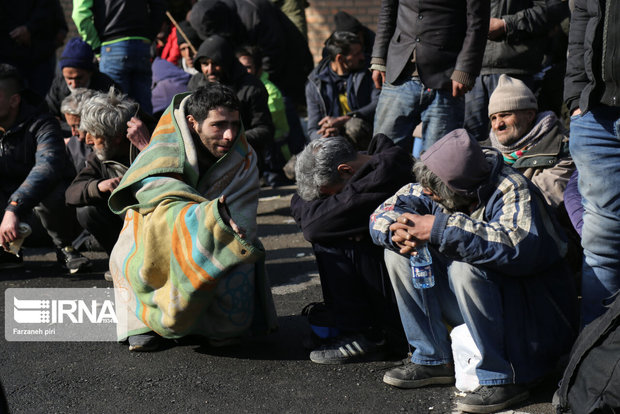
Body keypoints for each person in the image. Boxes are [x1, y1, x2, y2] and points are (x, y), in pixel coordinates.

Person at [369, 129, 578, 413]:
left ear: (460, 189)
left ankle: (503, 379)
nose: (428, 196)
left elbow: (516, 246)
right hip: (482, 307)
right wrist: (393, 231)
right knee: (399, 255)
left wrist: (439, 227)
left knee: (466, 268)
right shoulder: (437, 180)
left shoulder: (512, 187)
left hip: (531, 317)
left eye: (434, 193)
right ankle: (432, 360)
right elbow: (386, 209)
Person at [107, 83, 277, 351]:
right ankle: (146, 322)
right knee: (128, 244)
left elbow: (242, 213)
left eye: (235, 123)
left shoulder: (245, 157)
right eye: (218, 125)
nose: (230, 134)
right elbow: (154, 198)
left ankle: (213, 326)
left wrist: (219, 226)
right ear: (192, 122)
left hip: (221, 234)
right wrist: (210, 217)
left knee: (238, 248)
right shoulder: (162, 150)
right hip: (158, 233)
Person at [290, 134, 412, 364]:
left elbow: (314, 227)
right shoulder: (358, 170)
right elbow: (297, 202)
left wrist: (337, 224)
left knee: (331, 238)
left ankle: (370, 335)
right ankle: (349, 324)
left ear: (345, 170)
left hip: (406, 283)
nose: (329, 200)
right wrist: (342, 223)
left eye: (331, 195)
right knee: (333, 230)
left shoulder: (386, 174)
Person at [0, 64, 90, 272]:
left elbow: (47, 166)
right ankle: (7, 250)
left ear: (14, 100)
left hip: (45, 216)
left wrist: (14, 206)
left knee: (51, 188)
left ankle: (66, 247)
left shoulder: (43, 125)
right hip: (8, 218)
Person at [370, 0, 489, 155]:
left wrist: (465, 69)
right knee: (382, 155)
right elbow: (387, 10)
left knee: (438, 162)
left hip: (446, 78)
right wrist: (378, 59)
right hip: (399, 73)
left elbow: (478, 21)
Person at [564, 0, 620, 325]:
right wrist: (575, 96)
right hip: (595, 113)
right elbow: (583, 15)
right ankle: (594, 367)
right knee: (600, 247)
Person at [463, 0, 551, 142]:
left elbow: (552, 9)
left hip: (515, 70)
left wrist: (507, 24)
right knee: (469, 143)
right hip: (468, 71)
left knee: (516, 141)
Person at [65, 88, 139, 256]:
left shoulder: (153, 140)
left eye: (94, 134)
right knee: (87, 211)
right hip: (126, 225)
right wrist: (98, 186)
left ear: (116, 137)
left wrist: (146, 146)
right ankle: (121, 259)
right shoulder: (100, 157)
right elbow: (71, 194)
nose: (87, 139)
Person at [487, 75, 575, 210]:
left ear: (529, 115)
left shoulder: (561, 149)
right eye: (493, 118)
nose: (498, 124)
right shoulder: (484, 154)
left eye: (505, 115)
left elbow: (539, 201)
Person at [188, 35, 274, 172]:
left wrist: (233, 139)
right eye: (205, 64)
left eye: (215, 63)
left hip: (243, 162)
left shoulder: (251, 87)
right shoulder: (196, 83)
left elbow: (264, 129)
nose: (209, 70)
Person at [72, 0, 167, 114]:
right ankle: (148, 131)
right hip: (141, 44)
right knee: (143, 110)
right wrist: (147, 38)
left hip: (112, 45)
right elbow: (159, 5)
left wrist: (96, 46)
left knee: (113, 111)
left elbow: (80, 14)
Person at [306, 31, 379, 150]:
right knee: (293, 166)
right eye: (357, 54)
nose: (362, 57)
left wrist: (344, 119)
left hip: (364, 134)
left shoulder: (369, 72)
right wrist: (325, 136)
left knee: (355, 126)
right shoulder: (315, 84)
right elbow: (313, 128)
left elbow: (377, 103)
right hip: (332, 143)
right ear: (340, 58)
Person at [237, 46, 291, 186]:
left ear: (259, 69)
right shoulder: (240, 87)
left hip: (274, 152)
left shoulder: (269, 92)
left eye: (248, 67)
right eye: (240, 66)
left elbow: (265, 128)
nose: (243, 71)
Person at [46, 37, 117, 135]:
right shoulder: (58, 85)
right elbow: (48, 116)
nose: (73, 84)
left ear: (90, 72)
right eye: (69, 78)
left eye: (79, 78)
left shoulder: (106, 87)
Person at [59, 88, 96, 173]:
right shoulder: (72, 146)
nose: (73, 133)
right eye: (70, 127)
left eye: (77, 126)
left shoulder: (111, 145)